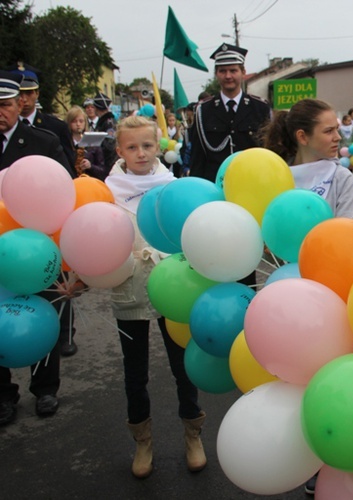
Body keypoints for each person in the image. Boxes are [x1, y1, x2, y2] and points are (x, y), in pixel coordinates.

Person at [105, 115, 207, 478]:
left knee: (182, 366)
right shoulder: (108, 190)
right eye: (131, 147)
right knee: (135, 371)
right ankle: (142, 442)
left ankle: (192, 433)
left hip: (173, 287)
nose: (141, 153)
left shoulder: (172, 185)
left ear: (159, 146)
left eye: (147, 145)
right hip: (128, 288)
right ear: (119, 151)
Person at [0, 70, 75, 426]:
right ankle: (3, 395)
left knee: (42, 312)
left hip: (36, 248)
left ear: (19, 106)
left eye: (5, 105)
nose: (1, 112)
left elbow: (66, 189)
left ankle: (45, 387)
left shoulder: (43, 142)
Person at [263, 99, 353, 220]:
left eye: (337, 129)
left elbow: (349, 232)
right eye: (329, 131)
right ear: (302, 137)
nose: (338, 137)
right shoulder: (276, 176)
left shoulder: (342, 178)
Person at [189, 43, 272, 182]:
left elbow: (269, 152)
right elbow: (198, 158)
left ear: (243, 72)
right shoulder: (203, 110)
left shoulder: (260, 108)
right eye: (222, 71)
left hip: (252, 183)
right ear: (216, 74)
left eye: (233, 70)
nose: (228, 76)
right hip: (215, 185)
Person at [10, 63, 76, 169]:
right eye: (20, 93)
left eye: (29, 93)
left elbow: (67, 170)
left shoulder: (57, 127)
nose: (24, 99)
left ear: (37, 94)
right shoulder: (6, 129)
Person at [66, 105, 107, 180]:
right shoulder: (66, 142)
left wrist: (90, 166)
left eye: (81, 121)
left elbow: (103, 171)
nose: (78, 124)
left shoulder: (92, 141)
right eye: (74, 121)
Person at [90, 91, 118, 171]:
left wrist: (96, 142)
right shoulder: (103, 121)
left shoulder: (109, 123)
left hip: (108, 163)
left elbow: (110, 144)